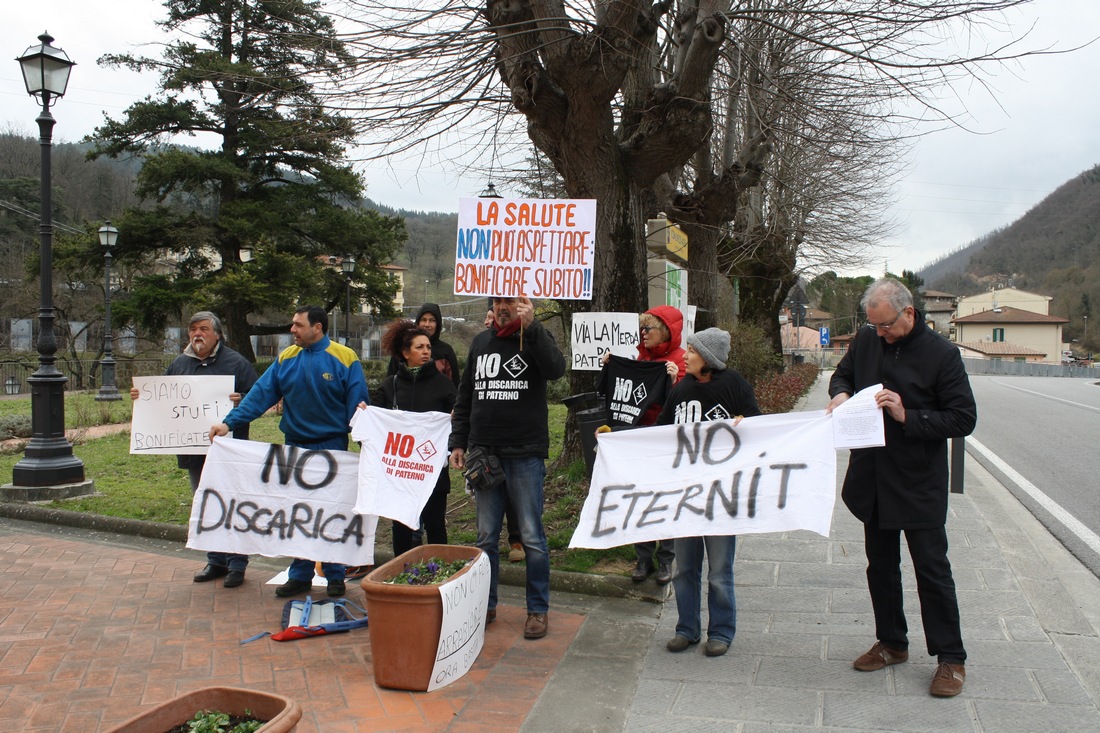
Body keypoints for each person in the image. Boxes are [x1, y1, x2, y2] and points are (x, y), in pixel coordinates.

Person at [827, 277, 977, 698]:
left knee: (932, 570)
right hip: (872, 476)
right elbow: (843, 375)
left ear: (909, 313)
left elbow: (963, 418)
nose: (880, 333)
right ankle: (892, 642)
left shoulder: (942, 354)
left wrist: (907, 414)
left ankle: (951, 658)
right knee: (881, 566)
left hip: (918, 480)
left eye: (886, 325)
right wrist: (841, 394)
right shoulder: (866, 339)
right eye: (874, 325)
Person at [209, 305, 369, 598]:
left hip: (332, 447)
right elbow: (260, 395)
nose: (292, 329)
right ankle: (300, 575)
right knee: (298, 512)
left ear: (317, 327)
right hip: (294, 446)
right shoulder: (286, 358)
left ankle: (335, 575)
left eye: (298, 325)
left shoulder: (346, 358)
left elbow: (358, 407)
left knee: (331, 511)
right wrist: (228, 423)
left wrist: (367, 447)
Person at [449, 296, 566, 639]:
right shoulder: (480, 343)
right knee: (486, 537)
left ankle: (537, 610)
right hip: (484, 453)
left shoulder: (535, 337)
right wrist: (458, 442)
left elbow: (556, 370)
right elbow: (466, 395)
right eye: (498, 301)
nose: (504, 307)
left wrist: (534, 328)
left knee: (531, 536)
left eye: (511, 301)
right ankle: (485, 605)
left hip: (525, 453)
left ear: (524, 303)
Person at [132, 311, 257, 588]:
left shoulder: (237, 362)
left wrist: (242, 399)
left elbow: (259, 398)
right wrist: (142, 397)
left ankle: (237, 564)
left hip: (229, 450)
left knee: (232, 504)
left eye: (203, 329)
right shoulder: (179, 364)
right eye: (192, 330)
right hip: (194, 451)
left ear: (217, 334)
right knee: (206, 504)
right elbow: (162, 400)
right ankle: (216, 560)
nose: (197, 334)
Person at [658, 327, 760, 658]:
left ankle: (721, 631)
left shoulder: (734, 385)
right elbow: (660, 432)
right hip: (686, 496)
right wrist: (617, 438)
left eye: (691, 351)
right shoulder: (681, 389)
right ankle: (686, 629)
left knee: (719, 571)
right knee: (684, 568)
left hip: (720, 497)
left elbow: (759, 428)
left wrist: (746, 424)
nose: (685, 356)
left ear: (708, 357)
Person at [601, 305, 686, 585]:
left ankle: (666, 559)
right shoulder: (641, 358)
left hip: (666, 442)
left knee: (665, 498)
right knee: (640, 497)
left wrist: (674, 380)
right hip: (639, 439)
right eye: (642, 328)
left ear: (665, 331)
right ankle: (643, 557)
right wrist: (611, 367)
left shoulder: (681, 360)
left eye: (648, 328)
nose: (643, 333)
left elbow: (685, 403)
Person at [378, 319, 457, 555]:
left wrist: (456, 418)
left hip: (432, 470)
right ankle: (400, 569)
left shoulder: (443, 385)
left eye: (428, 347)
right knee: (401, 525)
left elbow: (460, 417)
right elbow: (375, 419)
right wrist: (365, 414)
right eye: (419, 347)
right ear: (405, 353)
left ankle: (439, 570)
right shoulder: (390, 386)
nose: (426, 352)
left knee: (435, 524)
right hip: (401, 473)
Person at [386, 302, 460, 387]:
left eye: (432, 320)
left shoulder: (446, 351)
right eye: (423, 320)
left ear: (438, 324)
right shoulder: (405, 346)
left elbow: (454, 385)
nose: (427, 324)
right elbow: (390, 383)